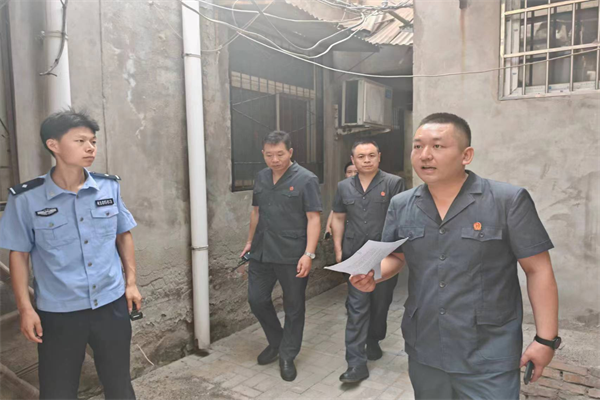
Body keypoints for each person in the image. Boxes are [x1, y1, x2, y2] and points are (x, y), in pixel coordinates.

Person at [350, 113, 560, 399]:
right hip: (425, 348)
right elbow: (396, 257)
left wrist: (545, 340)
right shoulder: (401, 204)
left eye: (437, 146)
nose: (425, 155)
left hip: (488, 352)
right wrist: (373, 273)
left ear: (466, 155)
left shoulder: (507, 201)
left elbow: (538, 270)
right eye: (417, 146)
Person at [0, 109, 141, 399]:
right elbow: (19, 255)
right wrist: (26, 309)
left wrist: (131, 283)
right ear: (53, 145)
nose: (90, 148)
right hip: (59, 313)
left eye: (93, 141)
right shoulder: (26, 199)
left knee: (119, 385)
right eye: (80, 141)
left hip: (110, 305)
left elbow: (123, 234)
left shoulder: (108, 187)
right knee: (58, 391)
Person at [239, 130, 322, 382]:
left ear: (290, 152)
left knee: (293, 306)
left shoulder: (306, 179)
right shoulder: (261, 177)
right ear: (263, 154)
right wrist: (249, 241)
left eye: (279, 154)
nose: (274, 160)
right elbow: (256, 212)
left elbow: (314, 218)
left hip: (292, 254)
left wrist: (309, 253)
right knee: (256, 299)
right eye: (269, 155)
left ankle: (287, 354)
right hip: (262, 251)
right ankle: (277, 341)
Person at [331, 139, 405, 383]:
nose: (367, 160)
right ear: (353, 160)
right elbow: (338, 217)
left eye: (371, 155)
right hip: (355, 257)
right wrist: (338, 249)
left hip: (384, 257)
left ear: (379, 157)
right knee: (356, 308)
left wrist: (398, 253)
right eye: (361, 156)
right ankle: (356, 364)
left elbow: (401, 218)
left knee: (380, 305)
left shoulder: (393, 183)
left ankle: (373, 339)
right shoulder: (343, 187)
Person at [325, 161, 358, 239]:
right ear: (345, 174)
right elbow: (335, 209)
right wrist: (328, 226)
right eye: (349, 172)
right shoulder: (342, 187)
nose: (353, 174)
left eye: (356, 172)